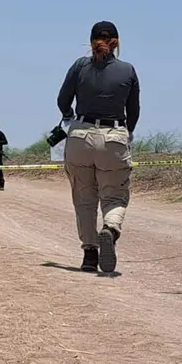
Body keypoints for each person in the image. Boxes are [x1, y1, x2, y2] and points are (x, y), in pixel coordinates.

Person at [56, 20, 140, 274]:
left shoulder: (79, 66)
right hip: (113, 136)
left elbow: (62, 100)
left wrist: (69, 116)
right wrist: (126, 132)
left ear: (91, 41)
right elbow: (134, 110)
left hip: (80, 136)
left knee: (84, 199)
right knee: (114, 195)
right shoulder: (127, 70)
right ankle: (110, 229)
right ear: (117, 42)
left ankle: (90, 255)